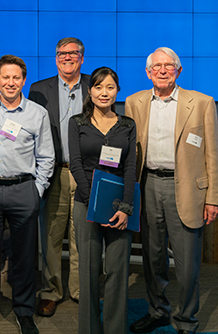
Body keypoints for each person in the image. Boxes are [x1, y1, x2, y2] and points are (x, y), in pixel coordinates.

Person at [126, 47, 218, 334]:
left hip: (188, 189)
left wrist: (213, 197)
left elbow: (213, 154)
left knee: (187, 263)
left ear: (179, 71)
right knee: (152, 258)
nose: (163, 70)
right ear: (148, 72)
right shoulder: (134, 102)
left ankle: (186, 320)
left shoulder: (202, 102)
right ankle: (158, 310)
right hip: (148, 185)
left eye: (169, 65)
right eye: (157, 66)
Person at [0, 55, 55, 334]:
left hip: (24, 190)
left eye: (16, 77)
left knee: (24, 257)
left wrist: (37, 189)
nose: (10, 82)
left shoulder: (37, 113)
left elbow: (46, 156)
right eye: (5, 77)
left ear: (23, 80)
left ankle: (23, 311)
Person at [68, 67, 136, 334]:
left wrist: (125, 207)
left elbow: (130, 167)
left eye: (110, 87)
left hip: (121, 207)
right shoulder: (77, 123)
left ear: (117, 90)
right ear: (90, 91)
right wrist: (95, 204)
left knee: (118, 272)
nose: (104, 92)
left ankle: (115, 329)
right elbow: (75, 164)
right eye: (98, 87)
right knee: (88, 272)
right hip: (86, 205)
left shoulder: (127, 124)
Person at [28, 37, 90, 316]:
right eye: (62, 53)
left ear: (82, 57)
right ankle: (51, 291)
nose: (67, 57)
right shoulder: (39, 89)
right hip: (53, 172)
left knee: (83, 235)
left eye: (73, 53)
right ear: (55, 58)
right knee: (51, 235)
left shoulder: (95, 85)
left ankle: (80, 291)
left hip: (86, 173)